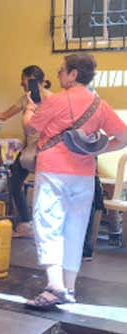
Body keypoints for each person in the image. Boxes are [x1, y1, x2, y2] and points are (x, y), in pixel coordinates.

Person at [22, 53, 127, 309]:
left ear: (73, 74)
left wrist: (30, 107)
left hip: (53, 172)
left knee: (48, 225)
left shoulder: (56, 101)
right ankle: (69, 288)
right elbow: (123, 138)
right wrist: (93, 151)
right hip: (84, 176)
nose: (58, 75)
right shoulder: (99, 105)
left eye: (61, 71)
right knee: (75, 229)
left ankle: (54, 286)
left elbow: (30, 129)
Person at [0, 65, 53, 238]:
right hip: (30, 149)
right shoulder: (25, 99)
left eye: (25, 81)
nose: (22, 85)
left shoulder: (53, 100)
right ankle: (26, 224)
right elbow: (3, 115)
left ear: (36, 81)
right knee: (14, 181)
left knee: (47, 189)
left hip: (48, 150)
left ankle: (45, 229)